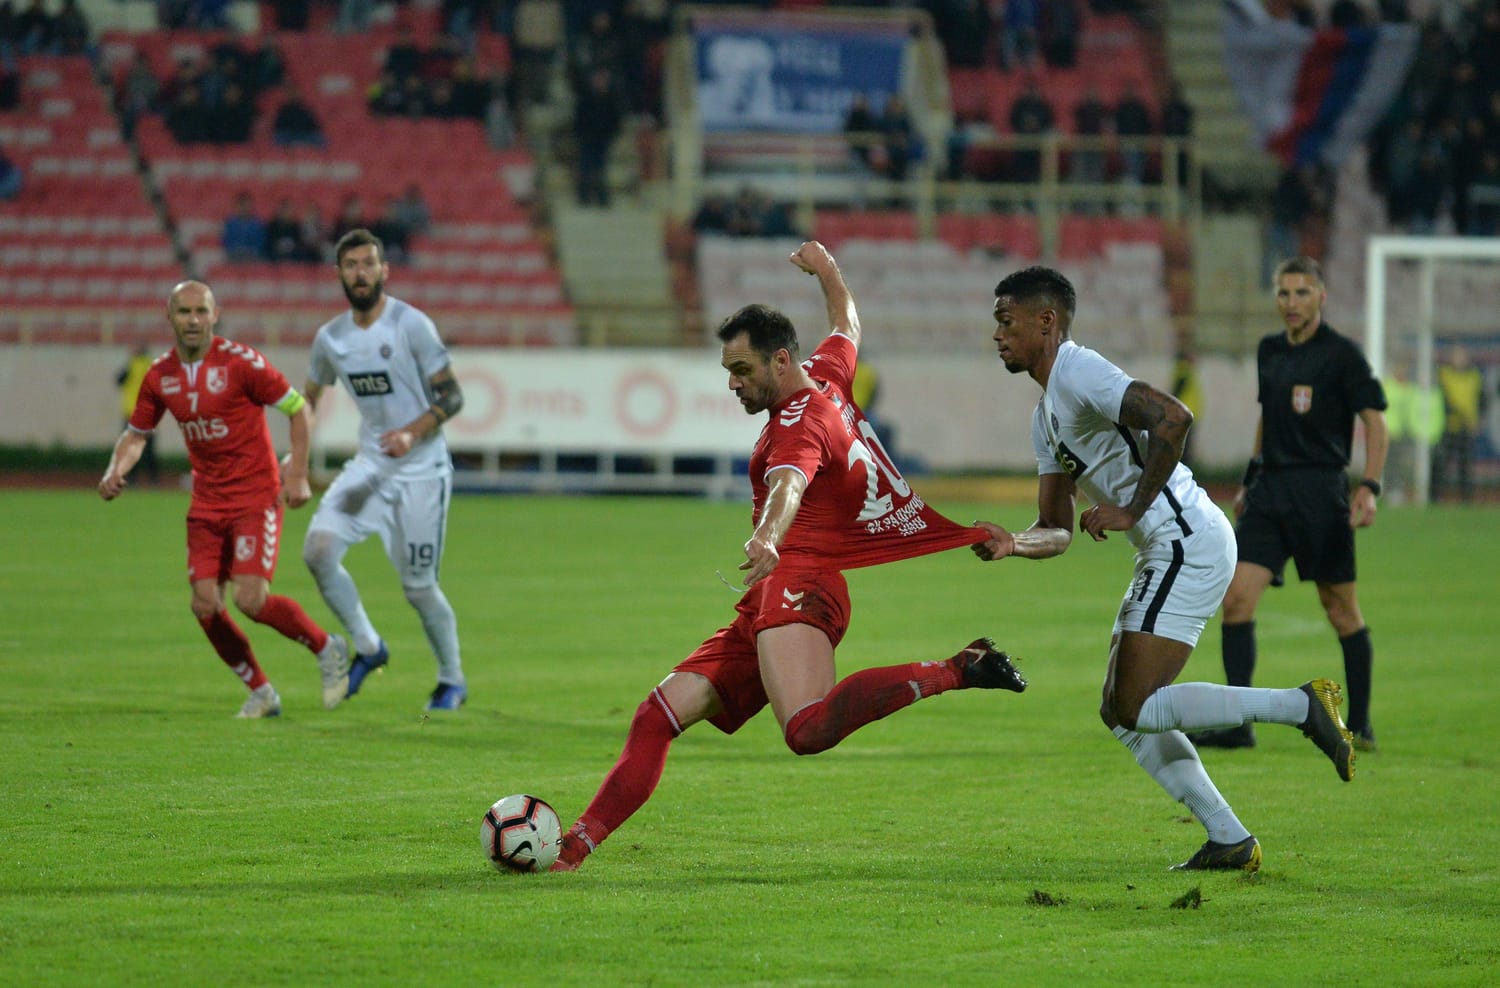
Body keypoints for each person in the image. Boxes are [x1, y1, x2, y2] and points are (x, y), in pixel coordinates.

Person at [548, 242, 1027, 874]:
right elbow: (846, 324)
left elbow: (788, 485)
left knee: (805, 729)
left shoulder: (799, 423)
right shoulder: (825, 374)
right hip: (774, 593)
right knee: (656, 716)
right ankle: (571, 851)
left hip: (800, 578)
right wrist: (828, 271)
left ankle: (957, 669)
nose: (732, 384)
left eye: (742, 370)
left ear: (780, 360)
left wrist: (769, 536)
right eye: (727, 370)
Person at [973, 265, 1355, 873]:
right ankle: (1228, 837)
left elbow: (1173, 417)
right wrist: (1012, 543)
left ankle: (1301, 706)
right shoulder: (1045, 415)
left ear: (1045, 322)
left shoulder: (1079, 369)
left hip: (1185, 539)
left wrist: (1130, 508)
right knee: (1121, 713)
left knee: (1137, 705)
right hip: (1169, 545)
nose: (996, 335)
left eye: (1005, 320)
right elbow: (1057, 529)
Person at [98, 281, 350, 718]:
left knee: (250, 600)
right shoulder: (160, 376)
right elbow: (136, 435)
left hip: (255, 496)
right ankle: (261, 691)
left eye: (201, 311)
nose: (193, 320)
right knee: (204, 604)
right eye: (184, 312)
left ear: (215, 316)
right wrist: (116, 469)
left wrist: (297, 473)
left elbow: (298, 410)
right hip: (207, 502)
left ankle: (328, 648)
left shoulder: (242, 363)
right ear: (169, 317)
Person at [1192, 257, 1388, 753]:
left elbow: (1375, 421)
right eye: (1283, 293)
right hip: (1270, 492)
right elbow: (1267, 416)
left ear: (1321, 296)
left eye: (1302, 293)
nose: (1292, 303)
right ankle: (1240, 725)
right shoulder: (1270, 351)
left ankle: (1360, 724)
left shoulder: (1342, 355)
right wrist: (1250, 478)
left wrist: (1369, 485)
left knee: (1340, 609)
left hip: (1321, 492)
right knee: (1235, 601)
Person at [301, 229, 468, 711]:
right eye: (351, 265)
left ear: (383, 270)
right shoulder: (331, 338)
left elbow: (452, 395)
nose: (360, 273)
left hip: (422, 472)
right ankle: (370, 648)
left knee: (418, 588)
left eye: (368, 263)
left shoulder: (410, 325)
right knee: (318, 551)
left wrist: (411, 433)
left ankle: (451, 679)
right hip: (371, 467)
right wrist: (296, 459)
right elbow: (308, 399)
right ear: (339, 274)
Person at [115, 343, 160, 485]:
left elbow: (119, 380)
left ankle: (132, 479)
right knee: (148, 450)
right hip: (146, 413)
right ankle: (153, 479)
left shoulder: (133, 364)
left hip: (133, 413)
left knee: (131, 448)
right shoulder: (151, 365)